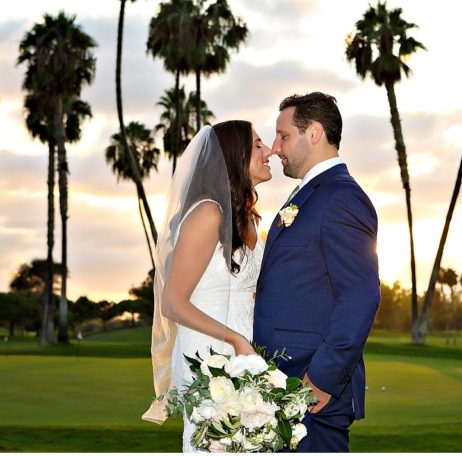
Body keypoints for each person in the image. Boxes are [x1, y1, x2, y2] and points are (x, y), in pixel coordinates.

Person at [254, 92, 380, 455]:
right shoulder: (307, 195)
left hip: (311, 392)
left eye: (283, 135)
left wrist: (323, 379)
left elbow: (360, 296)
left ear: (314, 133)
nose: (276, 148)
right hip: (283, 385)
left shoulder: (341, 197)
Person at [142, 122, 272, 451]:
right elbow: (172, 302)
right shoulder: (208, 213)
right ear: (234, 156)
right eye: (258, 145)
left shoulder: (250, 219)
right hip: (208, 353)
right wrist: (236, 340)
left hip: (244, 353)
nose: (268, 150)